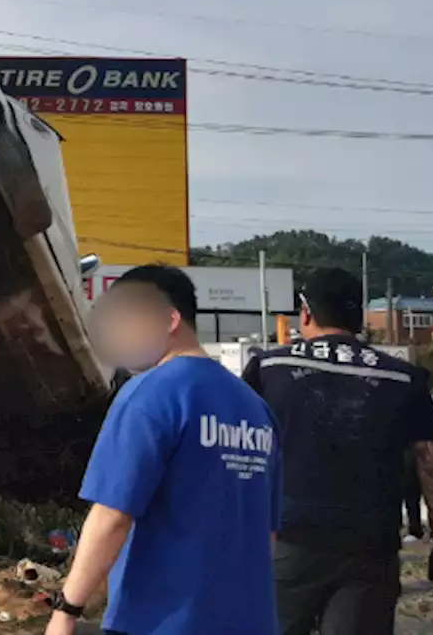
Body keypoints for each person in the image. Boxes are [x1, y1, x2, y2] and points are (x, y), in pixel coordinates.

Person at [46, 264, 281, 635]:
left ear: (170, 320)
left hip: (159, 621)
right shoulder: (255, 408)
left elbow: (112, 515)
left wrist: (66, 610)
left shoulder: (149, 395)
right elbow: (267, 534)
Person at [242, 267, 433, 635]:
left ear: (305, 312)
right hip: (369, 544)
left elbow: (238, 453)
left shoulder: (268, 368)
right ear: (358, 318)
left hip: (287, 538)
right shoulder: (404, 378)